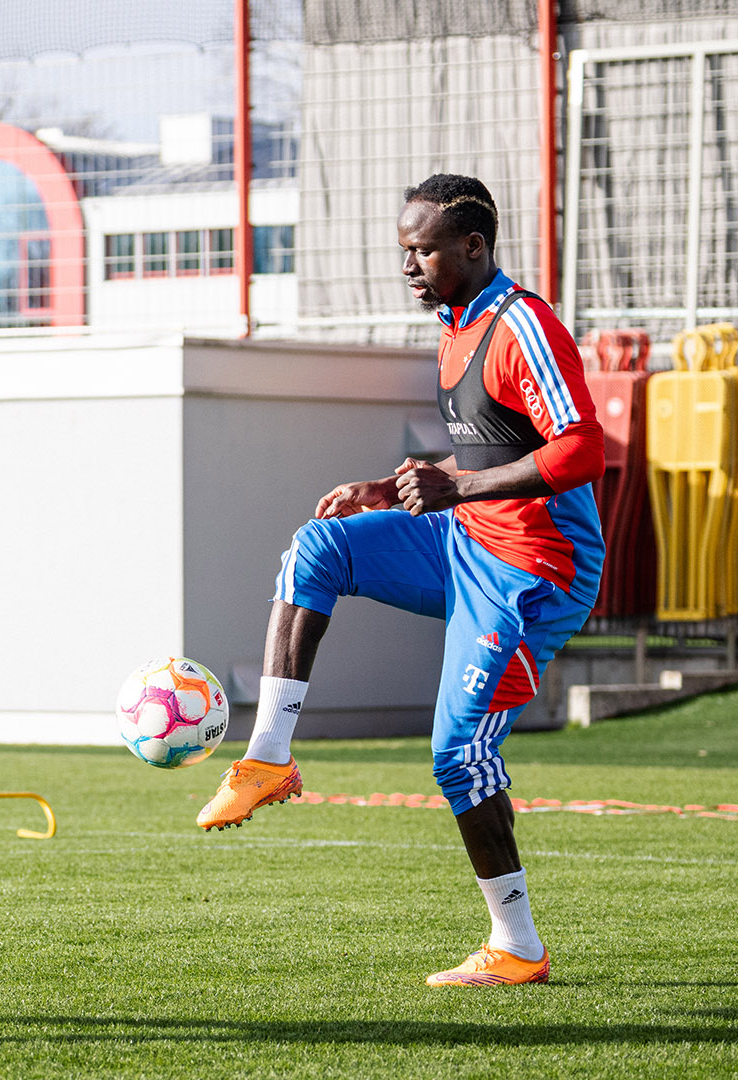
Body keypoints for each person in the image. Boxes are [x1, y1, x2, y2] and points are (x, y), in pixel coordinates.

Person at [195, 174, 604, 987]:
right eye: (403, 251)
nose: (410, 265)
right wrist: (396, 490)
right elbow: (490, 454)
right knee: (320, 547)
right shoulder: (457, 325)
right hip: (464, 540)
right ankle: (269, 756)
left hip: (533, 573)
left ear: (473, 247)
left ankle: (517, 946)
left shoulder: (525, 326)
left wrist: (462, 490)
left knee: (459, 756)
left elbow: (582, 450)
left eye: (422, 249)